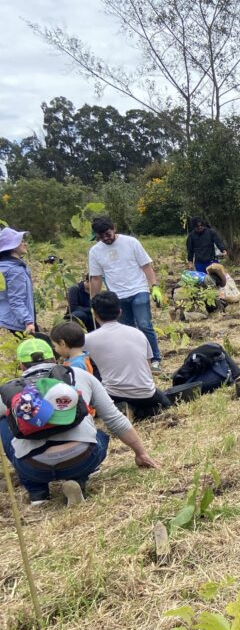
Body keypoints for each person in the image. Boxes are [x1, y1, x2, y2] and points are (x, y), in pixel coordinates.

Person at [0, 338, 157, 507]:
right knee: (100, 435)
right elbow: (114, 419)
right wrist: (141, 453)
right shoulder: (78, 375)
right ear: (54, 359)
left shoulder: (10, 390)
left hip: (33, 468)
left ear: (21, 366)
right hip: (81, 460)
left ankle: (37, 492)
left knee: (4, 420)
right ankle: (78, 479)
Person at [88, 216, 162, 371]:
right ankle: (136, 359)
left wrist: (154, 286)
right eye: (101, 236)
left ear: (114, 228)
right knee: (127, 329)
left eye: (108, 234)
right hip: (117, 295)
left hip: (138, 289)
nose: (106, 239)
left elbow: (146, 266)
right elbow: (96, 278)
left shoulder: (131, 242)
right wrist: (94, 300)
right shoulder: (95, 252)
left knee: (144, 324)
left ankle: (155, 359)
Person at [85, 292, 170, 420]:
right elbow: (147, 366)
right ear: (120, 312)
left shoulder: (89, 339)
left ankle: (126, 409)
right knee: (165, 403)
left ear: (95, 315)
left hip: (112, 394)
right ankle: (138, 411)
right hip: (146, 393)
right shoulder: (138, 334)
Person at [0, 226, 36, 334]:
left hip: (5, 318)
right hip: (16, 323)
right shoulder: (15, 270)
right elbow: (16, 300)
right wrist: (28, 321)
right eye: (21, 241)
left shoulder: (4, 266)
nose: (25, 244)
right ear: (14, 246)